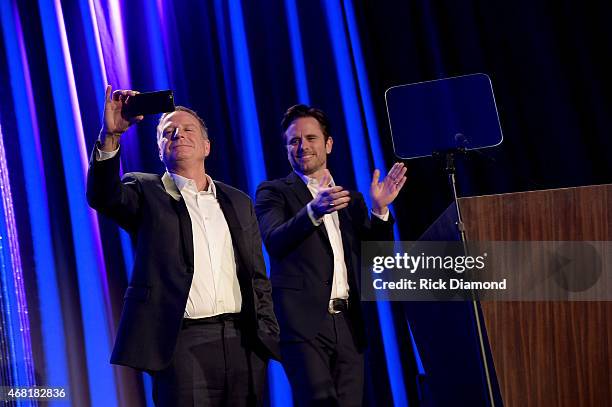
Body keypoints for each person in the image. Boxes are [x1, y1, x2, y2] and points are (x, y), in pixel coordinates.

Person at [86, 85, 280, 406]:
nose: (178, 134)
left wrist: (266, 334)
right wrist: (111, 137)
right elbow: (102, 196)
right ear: (160, 149)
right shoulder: (144, 190)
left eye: (188, 129)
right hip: (181, 343)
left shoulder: (238, 201)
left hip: (243, 343)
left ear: (206, 146)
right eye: (168, 132)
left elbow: (258, 276)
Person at [254, 104, 406, 406]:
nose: (303, 146)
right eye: (294, 141)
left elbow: (378, 258)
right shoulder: (273, 192)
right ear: (286, 148)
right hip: (304, 325)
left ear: (329, 144)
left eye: (311, 138)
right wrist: (314, 210)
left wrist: (379, 210)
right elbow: (274, 240)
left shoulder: (351, 200)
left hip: (349, 323)